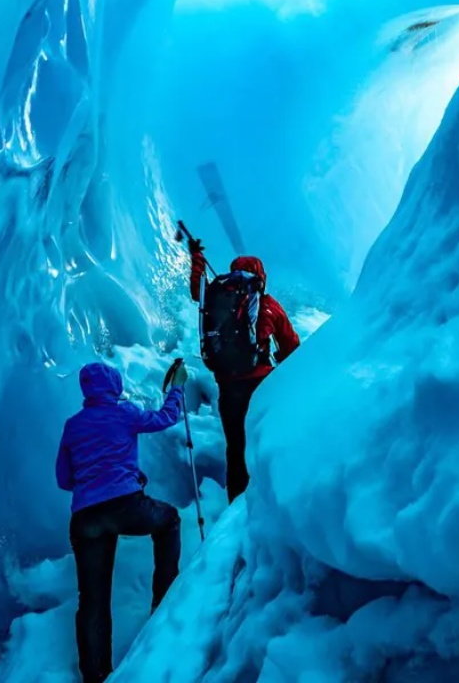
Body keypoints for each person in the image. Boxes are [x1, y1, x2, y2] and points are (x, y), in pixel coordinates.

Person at [55, 361, 188, 683]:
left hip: (85, 517)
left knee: (93, 599)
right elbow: (165, 418)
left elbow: (64, 479)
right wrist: (177, 389)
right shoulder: (124, 413)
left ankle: (96, 674)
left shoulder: (73, 426)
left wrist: (95, 481)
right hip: (126, 506)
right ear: (113, 386)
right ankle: (164, 601)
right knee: (169, 520)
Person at [188, 240, 300, 502]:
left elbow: (197, 290)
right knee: (266, 442)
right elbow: (291, 346)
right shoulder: (268, 305)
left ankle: (236, 507)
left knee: (236, 448)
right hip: (261, 386)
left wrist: (197, 259)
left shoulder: (216, 296)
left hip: (228, 387)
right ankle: (271, 502)